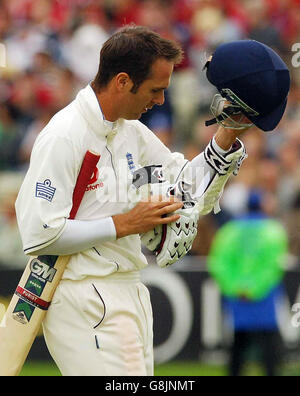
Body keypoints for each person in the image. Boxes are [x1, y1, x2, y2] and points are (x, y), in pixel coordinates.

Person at [15, 26, 290, 376]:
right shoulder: (65, 134)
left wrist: (228, 132)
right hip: (82, 296)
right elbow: (39, 233)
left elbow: (188, 192)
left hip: (128, 289)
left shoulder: (131, 131)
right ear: (122, 81)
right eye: (155, 90)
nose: (160, 101)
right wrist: (125, 223)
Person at [208, 190, 288, 376]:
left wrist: (237, 288)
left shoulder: (229, 231)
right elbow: (274, 266)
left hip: (238, 298)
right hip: (263, 297)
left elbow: (219, 263)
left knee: (238, 344)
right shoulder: (273, 230)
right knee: (269, 347)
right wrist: (256, 288)